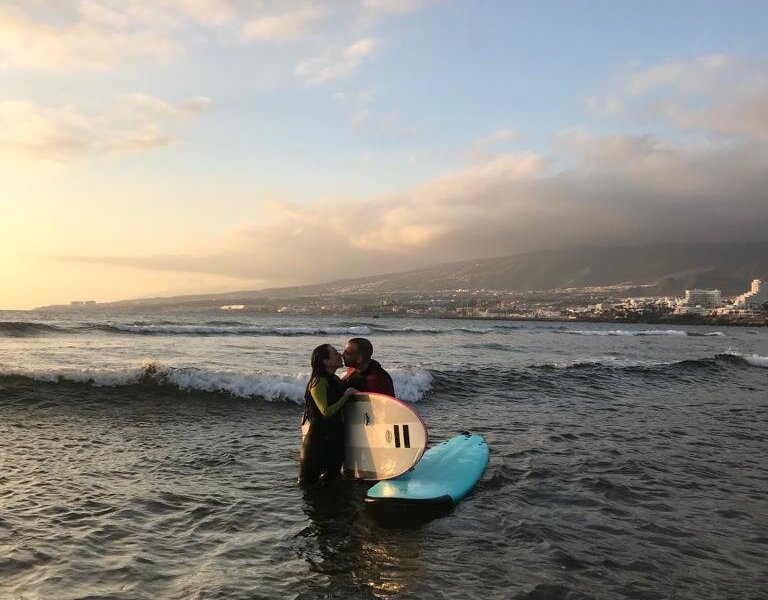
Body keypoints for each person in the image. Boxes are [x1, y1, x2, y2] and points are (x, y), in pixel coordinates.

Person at [298, 344, 357, 485]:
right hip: (317, 442)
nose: (340, 355)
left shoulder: (335, 379)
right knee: (307, 485)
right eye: (335, 353)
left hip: (336, 439)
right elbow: (326, 411)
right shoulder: (318, 382)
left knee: (333, 483)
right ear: (325, 361)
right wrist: (345, 397)